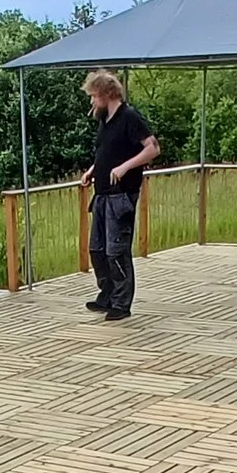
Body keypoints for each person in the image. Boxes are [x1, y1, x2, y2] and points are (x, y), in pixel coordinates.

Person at [79, 70, 158, 321]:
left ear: (107, 94)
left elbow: (152, 148)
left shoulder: (129, 117)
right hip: (102, 193)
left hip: (121, 195)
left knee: (116, 251)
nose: (92, 101)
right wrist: (93, 170)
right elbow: (107, 151)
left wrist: (126, 167)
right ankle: (107, 295)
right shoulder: (105, 120)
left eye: (94, 96)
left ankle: (121, 303)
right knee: (98, 249)